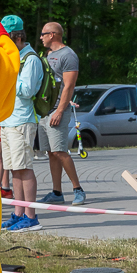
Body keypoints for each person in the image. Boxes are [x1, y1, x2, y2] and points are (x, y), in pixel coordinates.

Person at [0, 15, 43, 232]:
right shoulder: (12, 58)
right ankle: (18, 213)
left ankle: (31, 217)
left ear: (16, 38)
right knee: (14, 169)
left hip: (23, 121)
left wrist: (8, 75)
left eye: (5, 38)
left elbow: (27, 91)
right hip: (8, 120)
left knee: (24, 168)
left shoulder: (30, 59)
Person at [38, 21, 85, 205]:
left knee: (60, 151)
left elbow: (69, 85)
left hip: (58, 111)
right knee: (51, 152)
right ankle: (57, 193)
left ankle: (78, 189)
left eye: (43, 34)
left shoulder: (68, 55)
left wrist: (60, 110)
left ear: (52, 35)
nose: (41, 37)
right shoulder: (47, 55)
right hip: (44, 111)